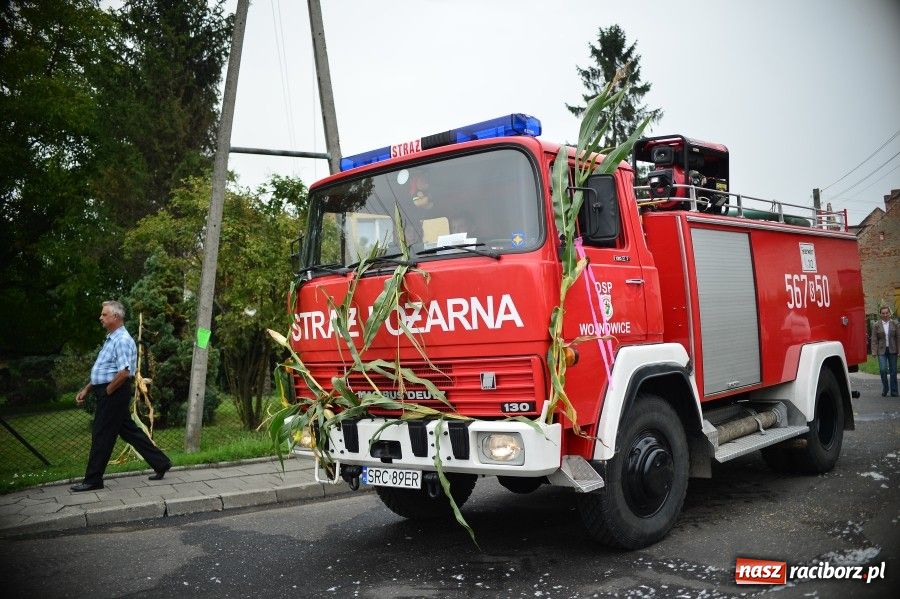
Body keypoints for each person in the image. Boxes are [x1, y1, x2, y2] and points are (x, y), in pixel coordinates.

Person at [70, 300, 172, 492]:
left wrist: (108, 391)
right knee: (129, 431)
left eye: (104, 314)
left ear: (115, 317)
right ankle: (161, 463)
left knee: (101, 434)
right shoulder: (112, 338)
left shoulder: (122, 340)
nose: (100, 317)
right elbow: (105, 370)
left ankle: (93, 480)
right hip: (110, 391)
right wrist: (88, 388)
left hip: (114, 392)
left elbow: (124, 372)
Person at [871, 306, 899, 397]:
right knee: (883, 370)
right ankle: (885, 388)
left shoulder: (895, 323)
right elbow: (874, 339)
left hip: (893, 349)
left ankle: (894, 391)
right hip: (881, 350)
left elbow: (898, 338)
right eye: (883, 313)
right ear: (880, 314)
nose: (885, 315)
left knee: (893, 371)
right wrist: (874, 352)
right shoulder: (876, 325)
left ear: (889, 313)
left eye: (887, 313)